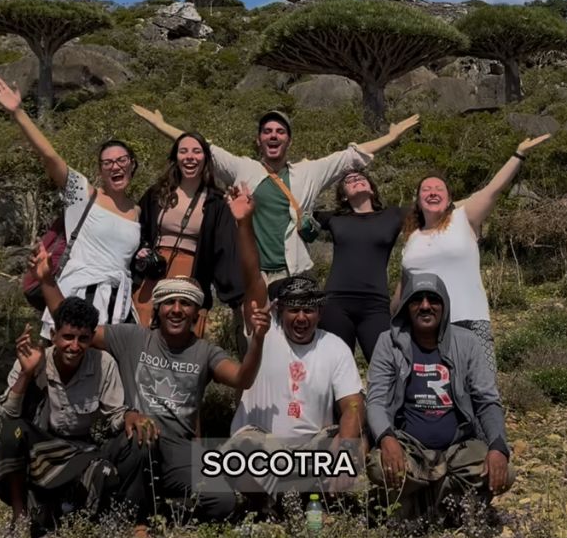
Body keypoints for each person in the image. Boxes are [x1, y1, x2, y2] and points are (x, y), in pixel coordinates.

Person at [36, 184, 271, 525]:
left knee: (220, 503)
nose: (177, 310)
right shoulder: (132, 338)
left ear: (196, 314)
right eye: (169, 304)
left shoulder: (205, 351)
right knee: (144, 436)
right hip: (133, 441)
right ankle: (132, 522)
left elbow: (243, 378)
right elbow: (74, 328)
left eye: (186, 305)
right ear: (157, 310)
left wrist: (260, 340)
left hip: (179, 448)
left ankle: (151, 502)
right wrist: (46, 282)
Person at [132, 105, 418, 353]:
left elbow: (350, 157)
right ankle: (249, 409)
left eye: (280, 131)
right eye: (267, 131)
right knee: (252, 344)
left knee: (296, 344)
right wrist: (161, 125)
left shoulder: (308, 173)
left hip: (292, 273)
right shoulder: (242, 168)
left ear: (288, 140)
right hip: (251, 276)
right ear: (259, 140)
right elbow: (198, 148)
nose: (273, 135)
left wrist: (392, 136)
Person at [0, 75, 141, 339]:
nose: (115, 166)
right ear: (100, 171)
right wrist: (18, 113)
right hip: (76, 297)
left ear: (132, 164)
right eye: (107, 163)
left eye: (122, 160)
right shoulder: (82, 195)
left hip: (120, 307)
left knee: (110, 374)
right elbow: (50, 156)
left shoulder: (138, 212)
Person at [366, 273, 513, 523]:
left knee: (504, 472)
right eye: (416, 300)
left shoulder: (468, 342)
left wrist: (498, 447)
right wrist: (386, 438)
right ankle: (447, 504)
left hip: (458, 448)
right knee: (379, 466)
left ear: (444, 305)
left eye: (433, 299)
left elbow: (487, 401)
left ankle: (420, 504)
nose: (425, 306)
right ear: (407, 307)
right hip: (410, 448)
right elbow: (376, 400)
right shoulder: (388, 342)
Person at [397, 134, 551, 370]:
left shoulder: (464, 218)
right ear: (418, 200)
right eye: (426, 189)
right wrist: (390, 321)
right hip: (424, 326)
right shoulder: (412, 238)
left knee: (482, 394)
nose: (433, 191)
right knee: (435, 400)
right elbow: (404, 285)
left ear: (450, 199)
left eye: (439, 188)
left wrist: (518, 154)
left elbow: (493, 189)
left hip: (469, 320)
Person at [225, 274, 366, 510]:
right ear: (280, 312)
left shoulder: (335, 347)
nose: (301, 317)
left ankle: (316, 499)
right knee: (239, 452)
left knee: (357, 440)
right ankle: (270, 507)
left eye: (309, 310)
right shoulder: (262, 335)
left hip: (311, 450)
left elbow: (353, 405)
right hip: (265, 446)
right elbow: (251, 278)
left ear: (320, 313)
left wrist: (346, 450)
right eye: (294, 310)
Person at [0, 297, 127, 536]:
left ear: (92, 338)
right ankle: (19, 514)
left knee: (104, 475)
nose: (75, 346)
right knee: (13, 432)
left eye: (83, 339)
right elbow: (0, 421)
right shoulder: (34, 361)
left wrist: (130, 417)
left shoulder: (103, 364)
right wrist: (26, 374)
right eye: (68, 337)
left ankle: (63, 513)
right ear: (53, 335)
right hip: (38, 445)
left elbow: (115, 415)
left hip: (78, 450)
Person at [132, 131, 242, 335]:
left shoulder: (216, 202)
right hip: (152, 274)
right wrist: (141, 248)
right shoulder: (157, 193)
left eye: (196, 151)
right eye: (183, 151)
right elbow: (136, 227)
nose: (190, 157)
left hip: (190, 275)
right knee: (141, 333)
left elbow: (226, 251)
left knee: (180, 338)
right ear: (175, 158)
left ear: (206, 159)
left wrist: (238, 298)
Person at [313, 170, 404, 362]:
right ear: (344, 196)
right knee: (337, 367)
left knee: (386, 365)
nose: (356, 180)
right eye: (349, 180)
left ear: (372, 189)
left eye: (361, 178)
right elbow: (299, 208)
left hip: (375, 304)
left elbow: (433, 209)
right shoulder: (334, 218)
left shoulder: (393, 215)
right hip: (336, 302)